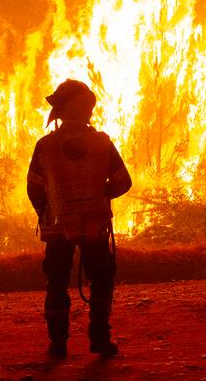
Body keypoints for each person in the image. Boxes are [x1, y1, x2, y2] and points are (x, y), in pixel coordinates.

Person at [26, 79, 132, 358]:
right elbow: (123, 181)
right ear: (86, 108)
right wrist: (102, 194)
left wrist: (47, 212)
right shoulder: (101, 142)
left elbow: (34, 187)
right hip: (95, 224)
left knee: (57, 282)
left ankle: (58, 344)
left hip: (58, 227)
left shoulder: (45, 146)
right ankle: (99, 339)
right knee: (101, 279)